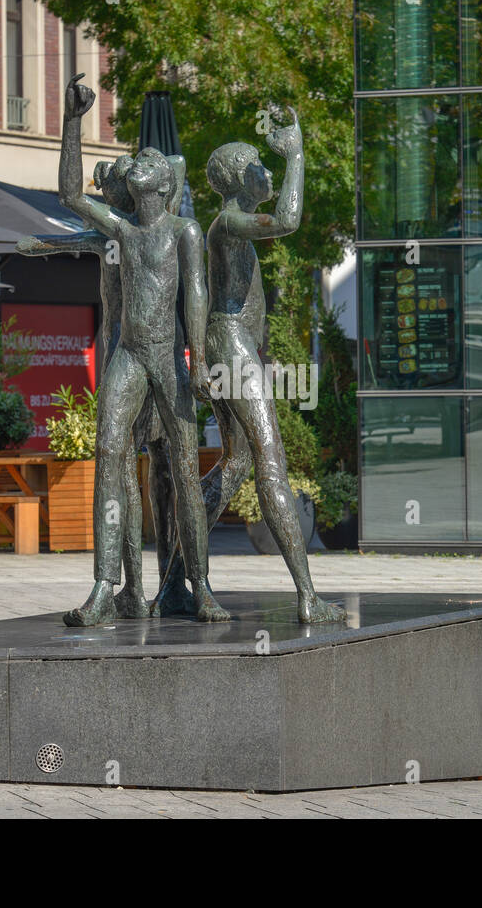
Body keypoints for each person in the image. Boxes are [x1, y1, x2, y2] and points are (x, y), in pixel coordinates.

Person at [149, 109, 344, 625]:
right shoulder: (230, 222)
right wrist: (298, 154)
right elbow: (287, 220)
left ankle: (173, 582)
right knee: (270, 462)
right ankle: (306, 595)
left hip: (231, 346)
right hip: (231, 348)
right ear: (238, 179)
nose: (268, 172)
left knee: (235, 466)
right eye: (260, 165)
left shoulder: (224, 225)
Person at [56, 72, 224, 626]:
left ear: (162, 183)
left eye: (149, 159)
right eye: (142, 159)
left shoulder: (183, 231)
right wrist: (72, 122)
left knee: (182, 468)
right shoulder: (124, 231)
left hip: (169, 358)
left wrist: (198, 359)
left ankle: (199, 586)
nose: (142, 158)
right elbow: (72, 194)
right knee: (109, 451)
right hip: (129, 355)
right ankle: (105, 586)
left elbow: (196, 295)